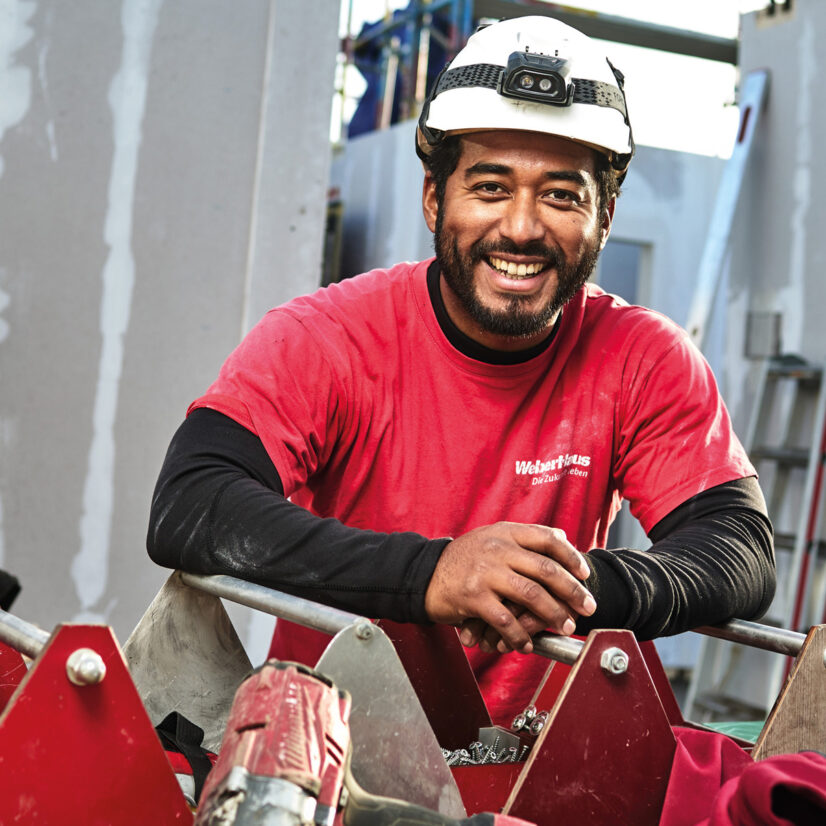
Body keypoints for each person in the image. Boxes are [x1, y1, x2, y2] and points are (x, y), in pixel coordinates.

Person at [147, 16, 775, 724]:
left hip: (540, 771)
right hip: (329, 746)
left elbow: (741, 551)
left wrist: (570, 586)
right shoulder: (327, 338)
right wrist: (432, 575)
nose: (521, 228)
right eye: (490, 187)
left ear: (605, 218)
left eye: (562, 196)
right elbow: (192, 502)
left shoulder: (641, 357)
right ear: (433, 198)